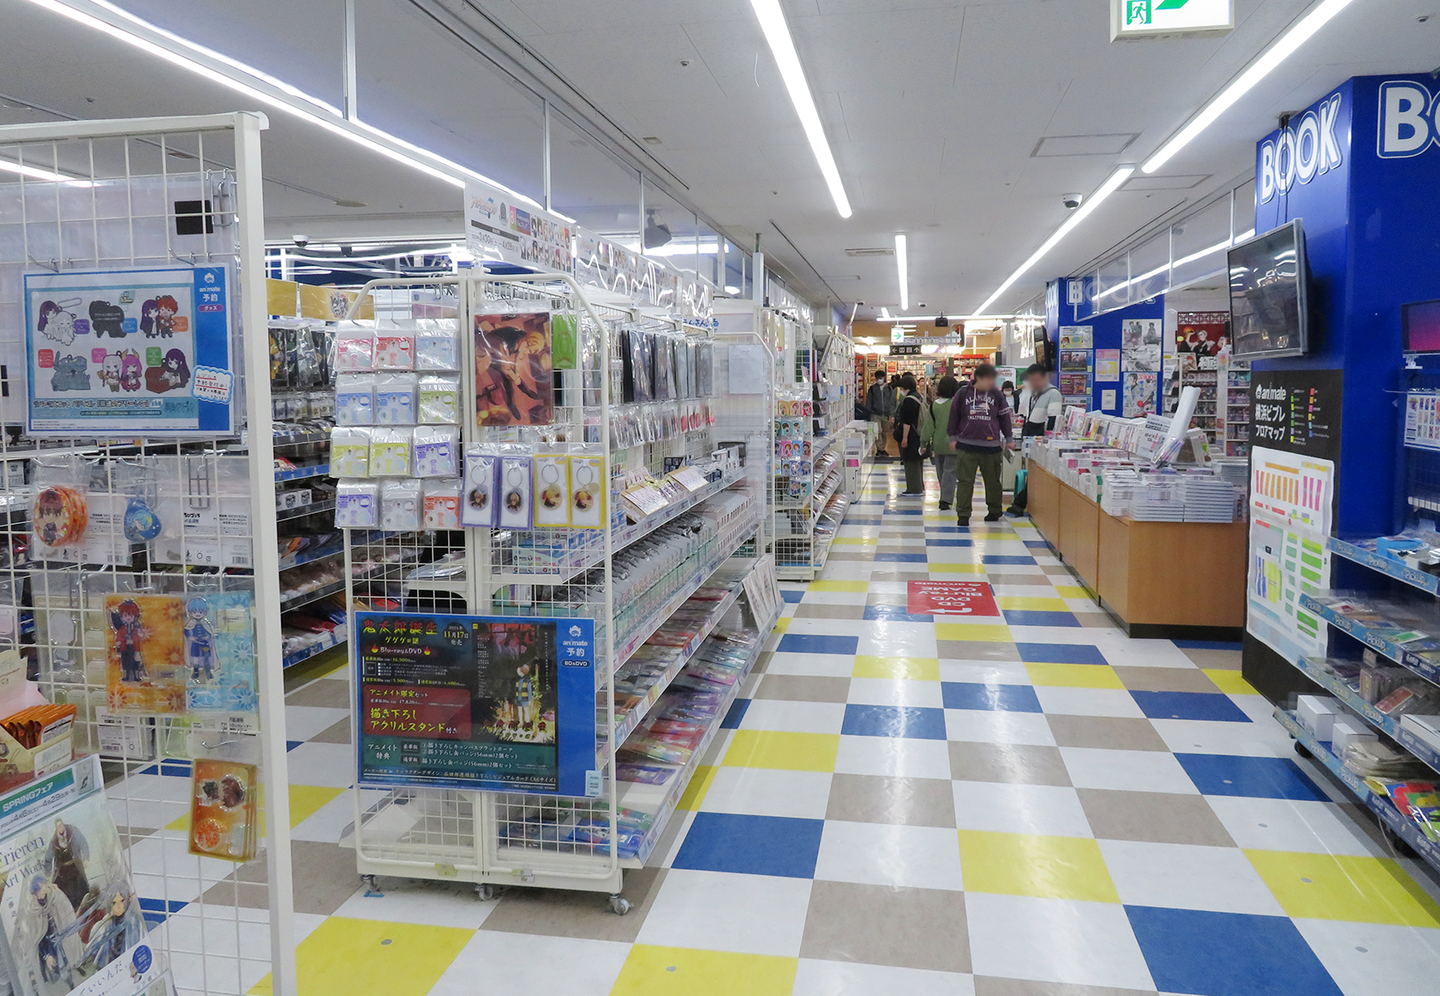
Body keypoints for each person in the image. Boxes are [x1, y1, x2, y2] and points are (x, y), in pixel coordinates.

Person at [946, 362, 1014, 525]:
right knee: (965, 481)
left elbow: (1005, 418)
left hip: (992, 447)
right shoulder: (963, 393)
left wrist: (1009, 438)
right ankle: (963, 514)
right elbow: (954, 415)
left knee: (993, 481)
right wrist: (952, 437)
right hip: (966, 445)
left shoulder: (997, 395)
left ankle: (994, 510)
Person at [1008, 363, 1064, 515]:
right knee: (1031, 469)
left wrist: (1048, 439)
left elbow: (1053, 418)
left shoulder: (1053, 393)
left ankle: (1020, 502)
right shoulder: (1034, 393)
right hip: (1030, 432)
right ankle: (1021, 501)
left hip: (1041, 435)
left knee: (1036, 471)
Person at [924, 375, 960, 510]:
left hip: (938, 443)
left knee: (941, 471)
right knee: (950, 472)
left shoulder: (934, 405)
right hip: (954, 443)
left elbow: (928, 427)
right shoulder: (957, 404)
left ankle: (944, 496)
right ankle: (945, 499)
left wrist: (923, 443)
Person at [894, 373, 928, 496]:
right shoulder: (918, 396)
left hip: (912, 435)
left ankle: (914, 488)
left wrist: (904, 438)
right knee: (918, 461)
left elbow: (907, 421)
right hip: (919, 433)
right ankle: (920, 486)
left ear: (905, 387)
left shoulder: (909, 400)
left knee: (910, 461)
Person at [865, 370, 893, 460]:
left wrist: (892, 413)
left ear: (884, 378)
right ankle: (880, 448)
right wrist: (868, 412)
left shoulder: (889, 388)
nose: (880, 380)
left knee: (884, 432)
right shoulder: (872, 388)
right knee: (878, 431)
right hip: (875, 413)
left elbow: (892, 401)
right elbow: (869, 401)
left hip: (886, 413)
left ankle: (883, 448)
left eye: (881, 378)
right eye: (878, 378)